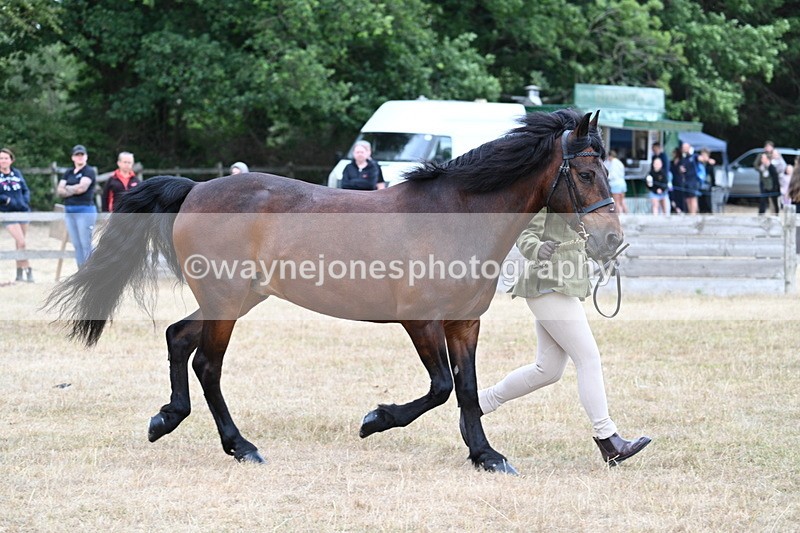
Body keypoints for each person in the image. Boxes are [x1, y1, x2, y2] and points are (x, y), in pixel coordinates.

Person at [476, 209, 651, 466]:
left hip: (563, 287)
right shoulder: (546, 199)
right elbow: (525, 235)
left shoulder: (573, 199)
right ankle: (609, 439)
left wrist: (603, 255)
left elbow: (581, 241)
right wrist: (538, 248)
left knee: (547, 370)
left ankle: (480, 402)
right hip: (547, 285)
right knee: (588, 358)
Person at [57, 144, 97, 267]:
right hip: (69, 212)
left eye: (82, 155)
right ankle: (81, 270)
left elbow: (82, 188)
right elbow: (59, 190)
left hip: (84, 211)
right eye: (77, 155)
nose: (79, 157)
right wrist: (72, 189)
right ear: (72, 157)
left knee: (86, 243)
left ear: (86, 157)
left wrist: (67, 188)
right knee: (76, 244)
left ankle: (92, 270)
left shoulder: (89, 171)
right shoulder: (68, 172)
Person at [0, 148, 33, 282]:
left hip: (23, 211)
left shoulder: (17, 173)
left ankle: (19, 274)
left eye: (6, 158)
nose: (3, 161)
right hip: (8, 213)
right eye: (1, 158)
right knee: (22, 242)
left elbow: (25, 189)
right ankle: (28, 270)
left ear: (11, 160)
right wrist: (6, 200)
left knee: (19, 244)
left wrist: (25, 201)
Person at [679, 142, 701, 214]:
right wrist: (681, 169)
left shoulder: (694, 156)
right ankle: (690, 213)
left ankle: (693, 214)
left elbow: (701, 158)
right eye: (683, 147)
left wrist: (708, 159)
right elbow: (682, 168)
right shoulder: (684, 158)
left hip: (693, 181)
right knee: (687, 199)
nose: (684, 149)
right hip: (686, 181)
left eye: (685, 147)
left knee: (693, 198)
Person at [669, 147, 684, 214]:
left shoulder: (681, 161)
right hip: (673, 180)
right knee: (673, 195)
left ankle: (680, 208)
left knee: (679, 195)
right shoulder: (671, 162)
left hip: (679, 180)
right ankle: (675, 208)